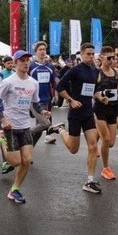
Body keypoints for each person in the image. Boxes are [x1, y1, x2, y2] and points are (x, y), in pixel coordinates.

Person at [0, 50, 49, 204]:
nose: (26, 63)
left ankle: (15, 189)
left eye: (27, 60)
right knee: (15, 162)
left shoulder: (33, 83)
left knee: (27, 160)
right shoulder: (9, 82)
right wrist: (3, 120)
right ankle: (0, 137)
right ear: (16, 63)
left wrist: (42, 111)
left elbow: (35, 103)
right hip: (10, 127)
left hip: (25, 126)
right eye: (22, 60)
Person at [49, 42, 101, 194]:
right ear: (82, 54)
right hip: (75, 114)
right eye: (88, 54)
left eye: (93, 54)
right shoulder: (74, 70)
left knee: (93, 146)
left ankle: (90, 181)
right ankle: (60, 130)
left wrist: (101, 97)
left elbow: (94, 90)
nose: (91, 57)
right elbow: (60, 87)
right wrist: (71, 100)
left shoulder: (95, 71)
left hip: (88, 113)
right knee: (73, 149)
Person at [93, 46, 118, 181]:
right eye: (109, 58)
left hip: (113, 108)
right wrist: (100, 97)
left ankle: (94, 139)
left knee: (111, 143)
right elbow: (92, 92)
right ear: (101, 58)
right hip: (100, 108)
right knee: (106, 139)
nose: (112, 60)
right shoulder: (97, 73)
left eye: (113, 57)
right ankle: (106, 168)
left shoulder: (116, 72)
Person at [29, 41, 57, 145]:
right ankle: (25, 134)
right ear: (36, 52)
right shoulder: (31, 66)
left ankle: (29, 149)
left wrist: (60, 92)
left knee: (39, 130)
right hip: (34, 101)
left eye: (44, 49)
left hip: (46, 99)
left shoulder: (50, 66)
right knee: (45, 123)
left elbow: (55, 81)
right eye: (40, 49)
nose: (42, 51)